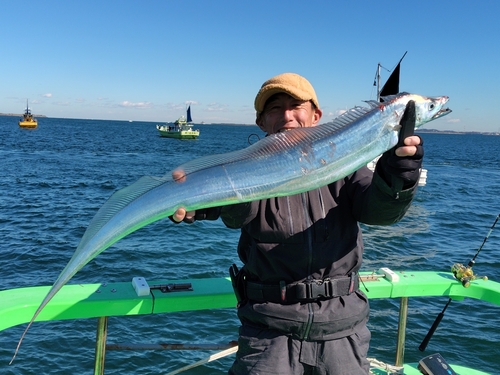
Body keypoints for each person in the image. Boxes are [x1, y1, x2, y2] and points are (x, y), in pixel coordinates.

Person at [171, 73, 423, 374]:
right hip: (269, 335)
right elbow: (236, 210)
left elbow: (380, 212)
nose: (287, 116)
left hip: (343, 333)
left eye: (296, 106)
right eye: (275, 108)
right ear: (261, 123)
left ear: (316, 116)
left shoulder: (346, 165)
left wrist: (396, 177)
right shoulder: (247, 170)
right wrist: (200, 202)